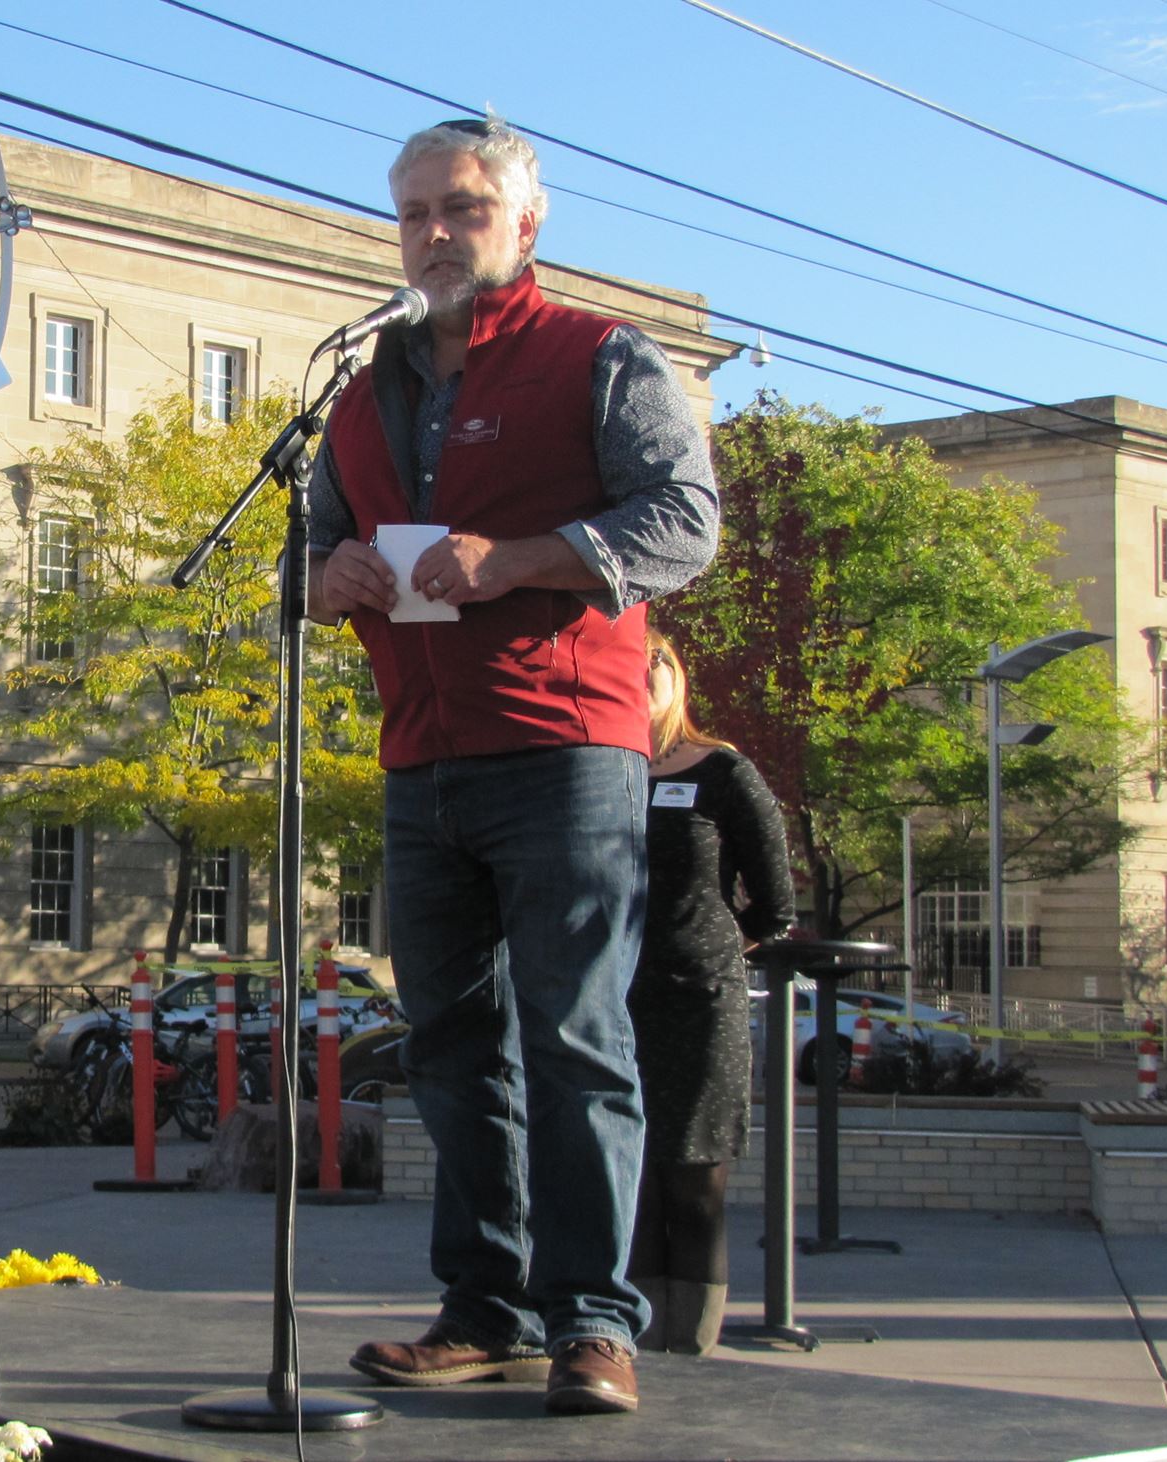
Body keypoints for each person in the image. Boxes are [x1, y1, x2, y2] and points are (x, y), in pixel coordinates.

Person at [314, 116, 720, 1416]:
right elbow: (304, 557)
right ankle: (480, 1310)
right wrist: (328, 577)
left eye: (464, 208)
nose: (436, 231)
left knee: (575, 1036)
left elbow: (687, 523)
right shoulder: (357, 393)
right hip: (419, 757)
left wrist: (519, 556)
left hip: (564, 752)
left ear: (525, 224)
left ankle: (594, 1322)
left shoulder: (600, 359)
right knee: (448, 1044)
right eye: (416, 211)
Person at [628, 629, 794, 1356]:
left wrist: (710, 947)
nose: (643, 671)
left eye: (656, 659)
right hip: (613, 1003)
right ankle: (627, 1338)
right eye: (627, 661)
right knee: (628, 1182)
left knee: (694, 1181)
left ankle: (689, 1347)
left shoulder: (723, 772)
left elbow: (774, 906)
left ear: (678, 676)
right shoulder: (598, 771)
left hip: (700, 1003)